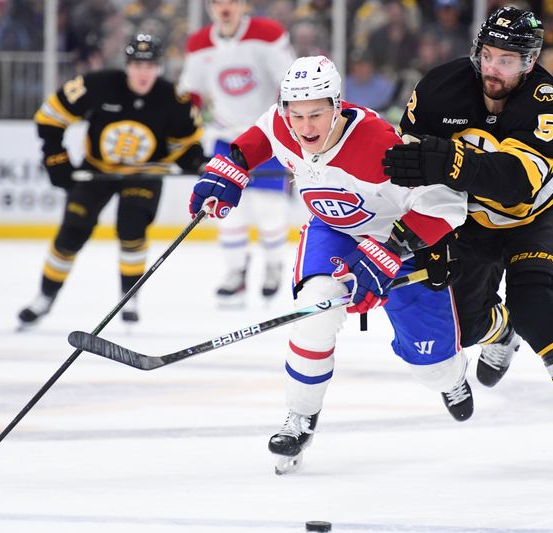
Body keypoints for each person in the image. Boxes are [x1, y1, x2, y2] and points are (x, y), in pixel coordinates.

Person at [382, 6, 553, 479]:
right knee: (465, 327)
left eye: (509, 60)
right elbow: (408, 167)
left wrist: (448, 161)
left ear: (530, 61)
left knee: (535, 307)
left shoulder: (549, 103)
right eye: (489, 56)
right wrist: (422, 227)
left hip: (534, 219)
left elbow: (515, 183)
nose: (494, 69)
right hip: (469, 223)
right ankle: (500, 330)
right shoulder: (438, 87)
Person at [189, 55, 469, 474]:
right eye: (296, 114)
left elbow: (447, 205)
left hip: (401, 242)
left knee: (434, 370)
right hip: (333, 230)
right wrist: (230, 171)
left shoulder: (380, 143)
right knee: (313, 314)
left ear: (337, 105)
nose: (305, 127)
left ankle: (475, 355)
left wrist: (388, 249)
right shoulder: (283, 123)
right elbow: (259, 137)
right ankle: (300, 418)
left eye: (316, 114)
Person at [18, 34, 206, 328]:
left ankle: (129, 296)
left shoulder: (173, 98)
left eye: (150, 65)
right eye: (137, 65)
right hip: (97, 170)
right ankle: (44, 297)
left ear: (159, 67)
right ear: (127, 65)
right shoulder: (98, 85)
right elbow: (49, 116)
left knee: (131, 227)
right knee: (72, 232)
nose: (143, 72)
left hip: (145, 173)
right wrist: (56, 158)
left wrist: (196, 161)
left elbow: (186, 143)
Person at [178, 0, 296, 307]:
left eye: (231, 0)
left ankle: (273, 266)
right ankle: (235, 273)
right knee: (224, 211)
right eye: (217, 2)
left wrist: (293, 131)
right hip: (224, 139)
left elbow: (290, 82)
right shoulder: (199, 43)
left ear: (244, 4)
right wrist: (185, 137)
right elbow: (191, 93)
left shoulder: (268, 34)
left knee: (270, 210)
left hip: (266, 137)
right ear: (209, 7)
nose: (225, 7)